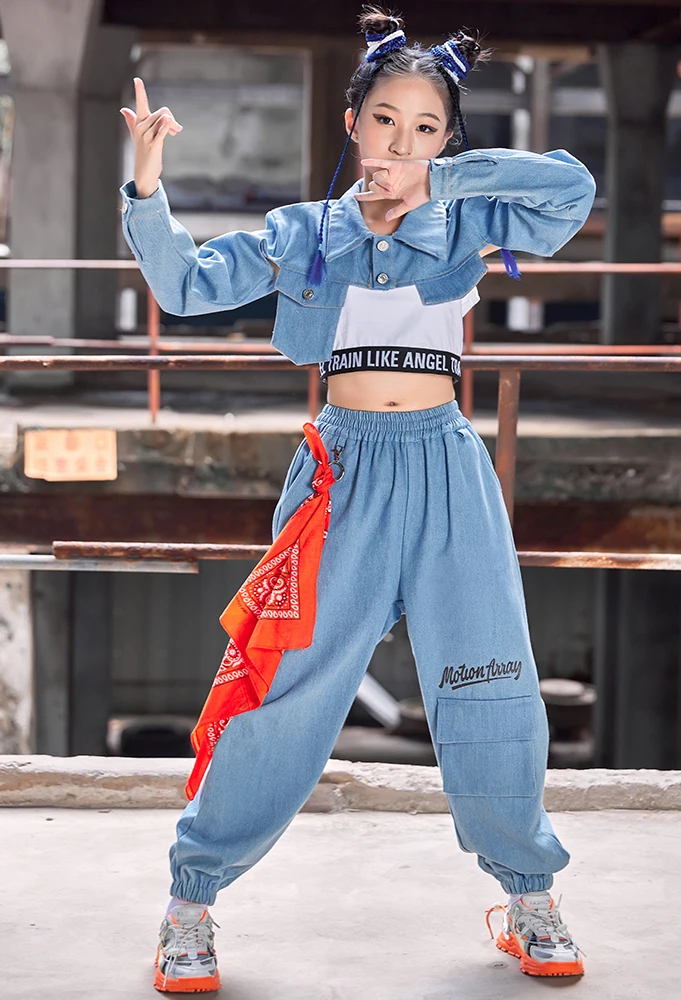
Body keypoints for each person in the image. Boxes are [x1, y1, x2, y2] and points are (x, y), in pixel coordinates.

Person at [119, 5, 596, 992]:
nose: (403, 142)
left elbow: (571, 191)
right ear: (353, 123)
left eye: (428, 126)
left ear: (447, 140)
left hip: (447, 469)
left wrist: (449, 177)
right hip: (341, 475)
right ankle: (190, 902)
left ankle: (530, 894)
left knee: (490, 680)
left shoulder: (469, 213)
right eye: (387, 120)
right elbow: (186, 285)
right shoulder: (308, 231)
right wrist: (147, 182)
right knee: (283, 690)